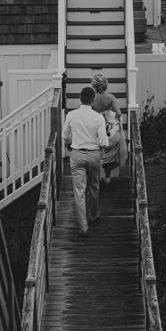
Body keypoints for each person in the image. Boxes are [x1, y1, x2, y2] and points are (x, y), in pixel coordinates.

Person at [62, 86, 109, 237]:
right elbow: (104, 141)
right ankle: (93, 214)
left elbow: (65, 135)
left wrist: (69, 142)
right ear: (93, 100)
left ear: (80, 99)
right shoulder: (98, 118)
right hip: (94, 155)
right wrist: (103, 146)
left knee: (79, 191)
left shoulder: (71, 115)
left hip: (76, 155)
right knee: (94, 186)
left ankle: (83, 227)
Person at [91, 74, 126, 184]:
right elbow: (119, 114)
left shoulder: (91, 98)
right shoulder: (111, 98)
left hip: (95, 128)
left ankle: (95, 177)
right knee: (109, 154)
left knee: (95, 152)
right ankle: (107, 177)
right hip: (109, 130)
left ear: (93, 85)